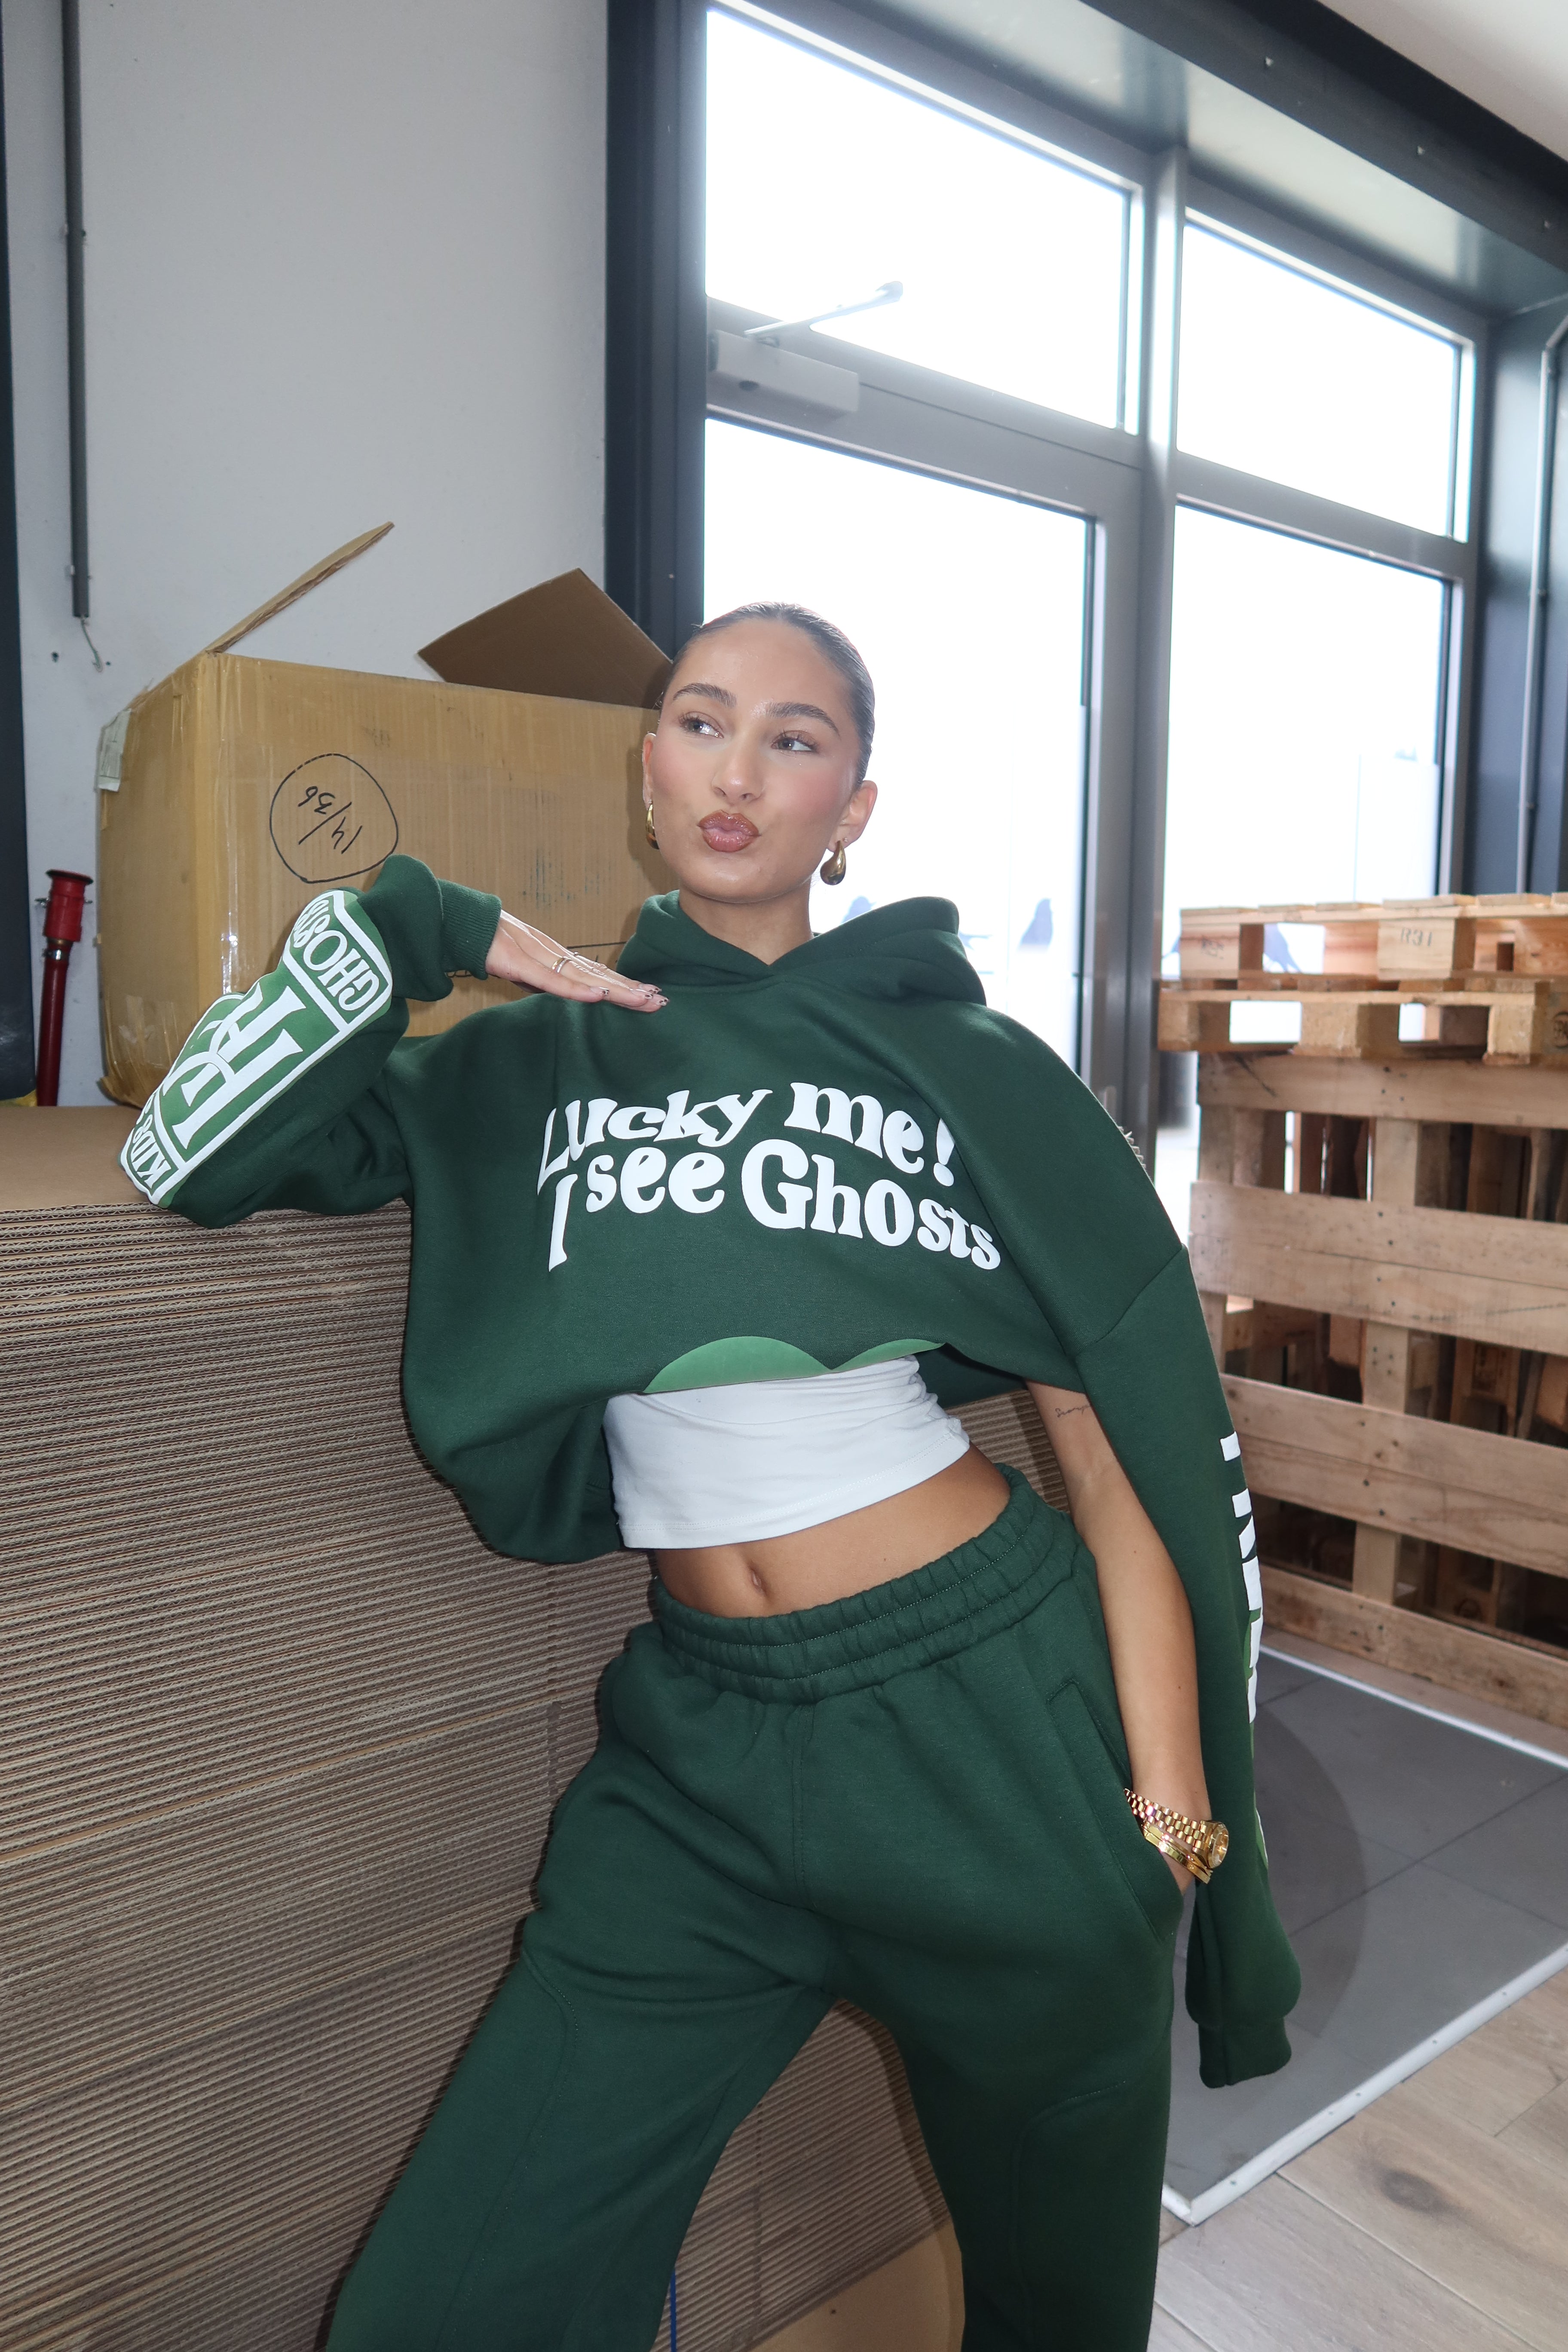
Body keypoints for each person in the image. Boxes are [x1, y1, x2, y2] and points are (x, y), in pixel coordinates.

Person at [122, 602, 1298, 2351]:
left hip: (994, 1726)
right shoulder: (520, 1066)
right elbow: (183, 1154)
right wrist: (419, 926)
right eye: (700, 719)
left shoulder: (962, 1066)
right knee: (444, 2310)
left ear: (854, 809)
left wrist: (1171, 1819)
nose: (737, 768)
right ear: (647, 767)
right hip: (701, 1755)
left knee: (1057, 2319)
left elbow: (1118, 1446)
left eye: (794, 739)